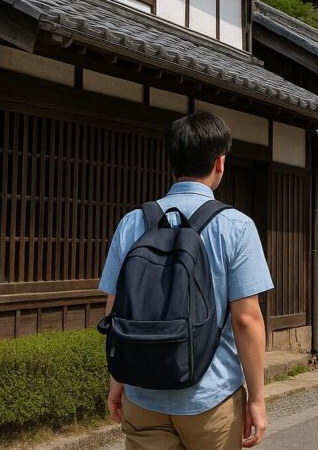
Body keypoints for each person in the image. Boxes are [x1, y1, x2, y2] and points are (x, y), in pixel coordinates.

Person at [99, 112, 273, 449]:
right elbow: (246, 319)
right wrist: (257, 399)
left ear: (172, 163)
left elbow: (115, 310)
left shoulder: (133, 223)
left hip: (143, 396)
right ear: (220, 162)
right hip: (211, 398)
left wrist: (118, 380)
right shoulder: (236, 226)